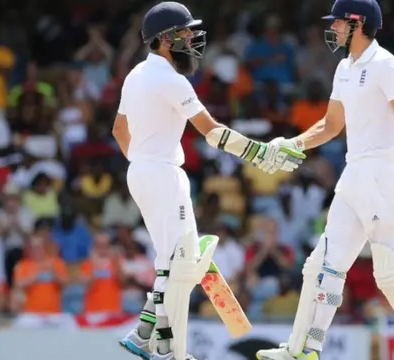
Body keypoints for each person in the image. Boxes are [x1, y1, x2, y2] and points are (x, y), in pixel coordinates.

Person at [256, 1, 394, 360]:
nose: (332, 28)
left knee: (393, 270)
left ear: (358, 23)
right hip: (354, 173)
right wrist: (293, 143)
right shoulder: (344, 68)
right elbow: (331, 125)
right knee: (322, 265)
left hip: (382, 174)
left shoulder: (386, 65)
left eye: (337, 23)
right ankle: (303, 349)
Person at [112, 2, 306, 360]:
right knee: (180, 262)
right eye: (185, 33)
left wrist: (142, 162)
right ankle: (154, 341)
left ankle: (153, 338)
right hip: (162, 174)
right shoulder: (172, 80)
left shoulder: (135, 75)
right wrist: (259, 154)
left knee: (170, 261)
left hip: (139, 172)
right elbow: (212, 132)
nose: (191, 38)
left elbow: (118, 129)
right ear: (165, 39)